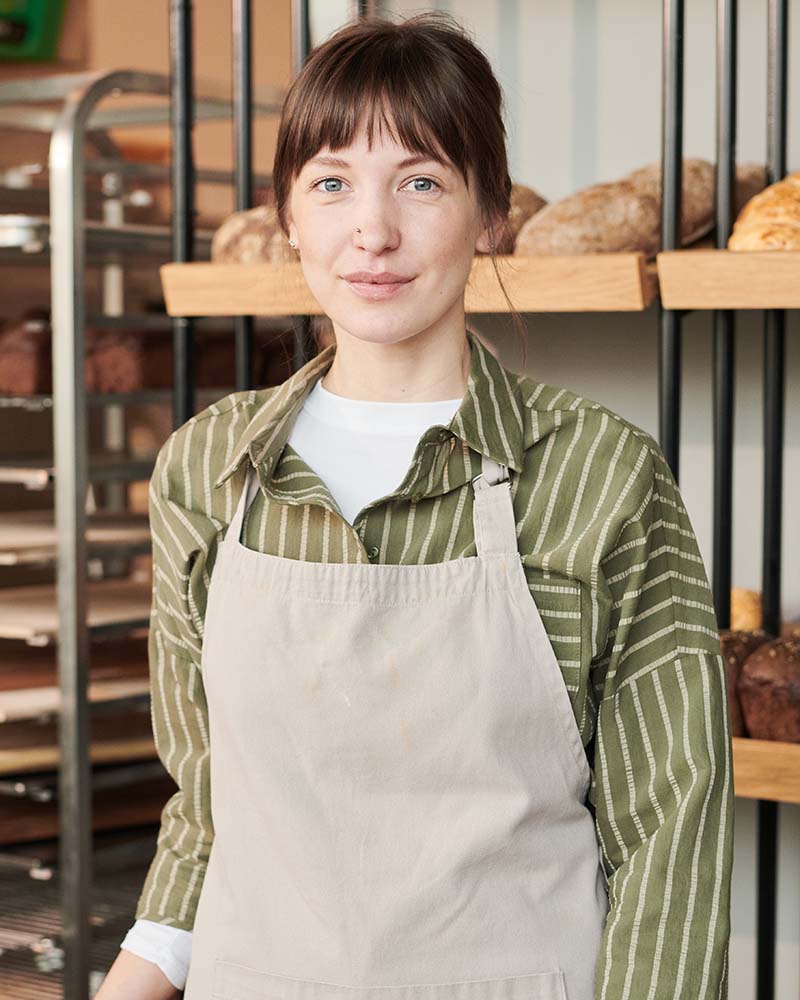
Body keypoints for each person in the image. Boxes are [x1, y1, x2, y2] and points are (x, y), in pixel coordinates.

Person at [97, 12, 734, 1000]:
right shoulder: (207, 470)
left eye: (422, 180)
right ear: (288, 216)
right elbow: (212, 805)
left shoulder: (597, 476)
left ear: (489, 214)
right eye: (332, 183)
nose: (372, 231)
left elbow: (668, 833)